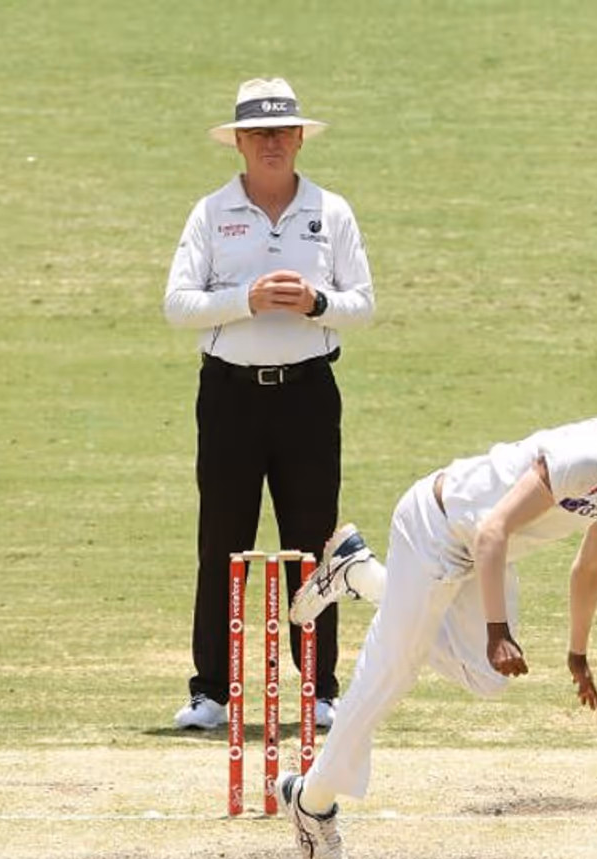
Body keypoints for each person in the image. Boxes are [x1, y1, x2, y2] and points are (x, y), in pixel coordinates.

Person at [275, 353, 597, 859]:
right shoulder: (587, 457)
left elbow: (591, 565)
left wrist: (578, 652)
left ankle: (361, 573)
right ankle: (312, 802)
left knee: (488, 677)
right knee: (393, 671)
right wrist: (498, 633)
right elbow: (494, 529)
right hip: (436, 527)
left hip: (484, 554)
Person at [164, 77, 375, 734]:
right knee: (222, 541)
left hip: (308, 395)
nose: (271, 143)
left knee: (313, 546)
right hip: (229, 396)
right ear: (239, 143)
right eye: (258, 133)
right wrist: (245, 300)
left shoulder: (330, 211)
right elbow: (178, 304)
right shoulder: (212, 212)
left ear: (299, 137)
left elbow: (362, 305)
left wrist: (316, 303)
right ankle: (212, 693)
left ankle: (318, 689)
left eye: (282, 131)